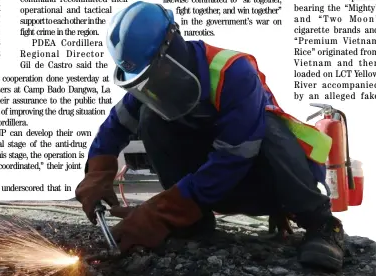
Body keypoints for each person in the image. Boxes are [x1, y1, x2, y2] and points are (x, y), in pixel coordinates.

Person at [75, 1, 345, 271]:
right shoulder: (156, 84)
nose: (152, 83)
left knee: (269, 127)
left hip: (264, 185)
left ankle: (320, 223)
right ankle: (192, 222)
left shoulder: (233, 72)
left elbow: (233, 158)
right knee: (150, 117)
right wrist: (98, 174)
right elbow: (114, 127)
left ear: (172, 46)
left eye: (155, 72)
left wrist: (160, 212)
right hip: (209, 193)